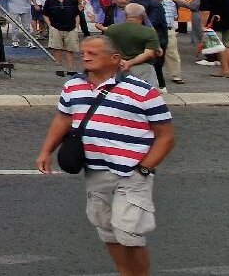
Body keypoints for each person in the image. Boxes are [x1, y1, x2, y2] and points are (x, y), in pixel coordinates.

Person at [36, 36, 174, 276]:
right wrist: (46, 150)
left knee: (129, 233)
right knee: (106, 228)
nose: (86, 56)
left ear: (115, 59)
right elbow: (63, 119)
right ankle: (124, 272)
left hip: (131, 172)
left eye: (93, 53)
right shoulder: (73, 86)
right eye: (84, 52)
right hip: (95, 170)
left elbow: (166, 135)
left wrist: (144, 169)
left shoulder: (141, 91)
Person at [103, 3, 159, 83]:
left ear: (125, 14)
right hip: (142, 69)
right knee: (145, 93)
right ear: (143, 15)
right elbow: (149, 54)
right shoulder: (149, 32)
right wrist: (129, 63)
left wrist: (121, 61)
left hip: (116, 67)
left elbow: (105, 49)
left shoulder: (112, 29)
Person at [197, 0, 229, 79]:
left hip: (215, 23)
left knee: (219, 47)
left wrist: (203, 25)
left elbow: (205, 12)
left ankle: (225, 70)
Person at [42, 0, 84, 76]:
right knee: (57, 49)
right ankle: (59, 68)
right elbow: (45, 14)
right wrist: (50, 25)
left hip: (70, 28)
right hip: (56, 28)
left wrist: (77, 26)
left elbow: (77, 14)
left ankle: (71, 69)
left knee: (70, 49)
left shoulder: (71, 1)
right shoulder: (49, 1)